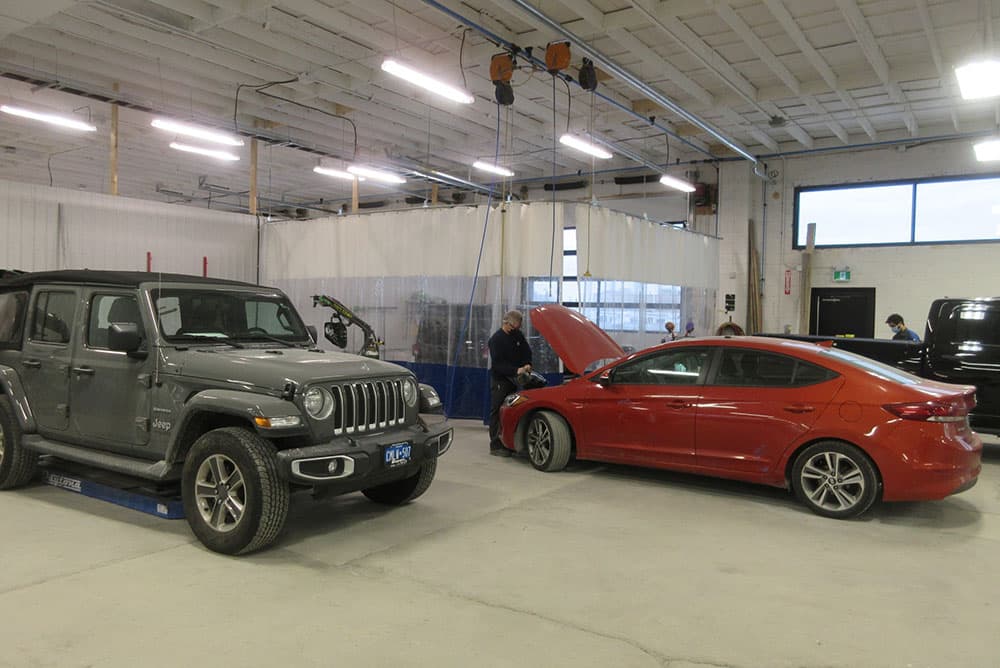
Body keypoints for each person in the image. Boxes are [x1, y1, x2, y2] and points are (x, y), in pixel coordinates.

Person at [487, 309, 533, 457]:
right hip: (501, 380)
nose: (515, 330)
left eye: (518, 328)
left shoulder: (517, 335)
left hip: (515, 379)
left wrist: (527, 363)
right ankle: (495, 444)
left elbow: (526, 351)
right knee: (497, 411)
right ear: (507, 323)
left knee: (511, 410)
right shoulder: (496, 340)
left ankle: (509, 441)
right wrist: (516, 370)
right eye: (513, 327)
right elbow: (498, 365)